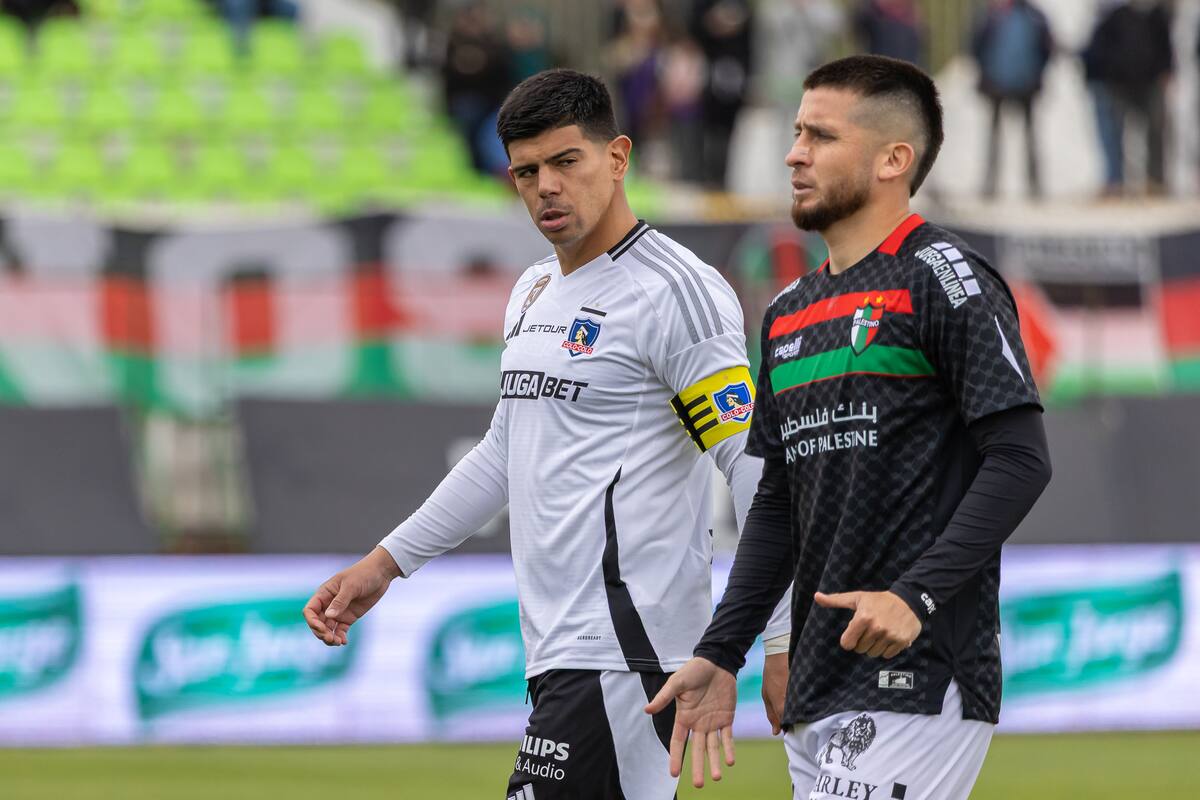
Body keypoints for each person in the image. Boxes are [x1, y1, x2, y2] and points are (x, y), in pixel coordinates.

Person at [303, 68, 791, 800]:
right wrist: (384, 563)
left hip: (628, 649)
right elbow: (504, 450)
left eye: (567, 162)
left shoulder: (673, 293)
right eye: (527, 172)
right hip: (561, 649)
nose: (546, 188)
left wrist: (774, 639)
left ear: (618, 157)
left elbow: (754, 468)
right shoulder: (533, 289)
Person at [646, 55, 1052, 798]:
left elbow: (1021, 460)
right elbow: (775, 504)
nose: (794, 153)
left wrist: (914, 597)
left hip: (922, 668)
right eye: (797, 133)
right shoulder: (790, 310)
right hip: (817, 678)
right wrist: (723, 650)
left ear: (894, 158)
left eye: (821, 137)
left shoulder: (943, 278)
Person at [1081, 0, 1174, 197]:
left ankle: (1153, 180)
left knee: (1154, 133)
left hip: (1149, 82)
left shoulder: (1157, 15)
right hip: (1121, 83)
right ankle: (1117, 181)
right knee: (1116, 134)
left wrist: (1165, 71)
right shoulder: (1116, 16)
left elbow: (1165, 48)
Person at [971, 0, 1054, 199]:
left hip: (1020, 84)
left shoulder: (998, 15)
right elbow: (977, 47)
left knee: (1024, 137)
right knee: (1000, 137)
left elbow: (1047, 49)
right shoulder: (998, 16)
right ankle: (993, 184)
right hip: (1003, 84)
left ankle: (1030, 185)